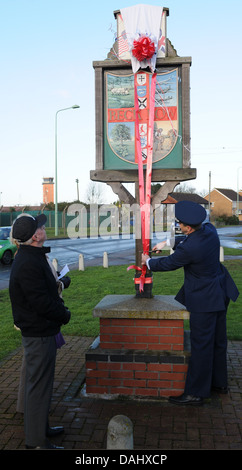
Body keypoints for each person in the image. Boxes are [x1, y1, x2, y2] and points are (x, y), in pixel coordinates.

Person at [142, 200, 239, 406]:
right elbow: (190, 240)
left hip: (205, 299)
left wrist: (148, 261)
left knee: (201, 345)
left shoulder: (190, 249)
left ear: (187, 227)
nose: (179, 226)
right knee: (218, 341)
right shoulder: (210, 230)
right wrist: (167, 243)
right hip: (221, 291)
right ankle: (219, 383)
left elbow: (169, 263)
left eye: (180, 225)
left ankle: (196, 393)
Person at [9, 214, 71, 448]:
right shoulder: (28, 263)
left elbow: (45, 295)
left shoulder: (31, 257)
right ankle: (36, 442)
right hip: (38, 333)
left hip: (42, 330)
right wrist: (64, 314)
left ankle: (41, 429)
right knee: (38, 388)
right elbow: (42, 302)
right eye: (42, 227)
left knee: (42, 386)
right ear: (35, 235)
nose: (44, 229)